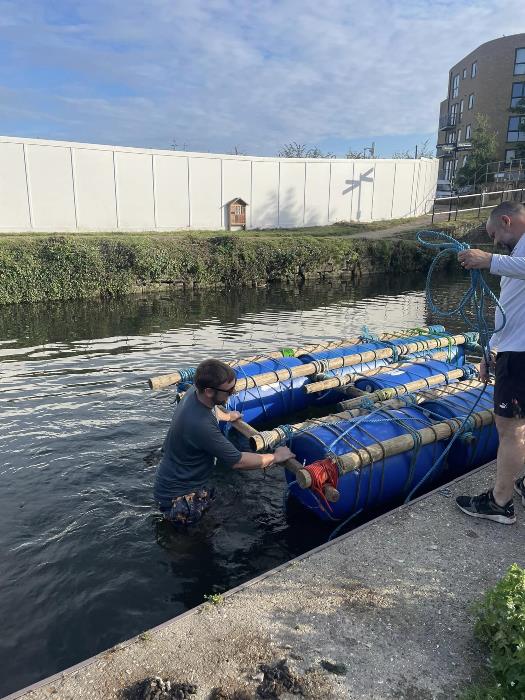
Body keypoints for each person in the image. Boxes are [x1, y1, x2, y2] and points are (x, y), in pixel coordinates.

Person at [154, 358, 295, 526]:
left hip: (176, 482)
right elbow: (239, 461)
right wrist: (275, 457)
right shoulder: (201, 425)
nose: (233, 393)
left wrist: (228, 416)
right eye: (229, 390)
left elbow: (212, 410)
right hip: (180, 498)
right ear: (209, 391)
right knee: (197, 545)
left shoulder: (194, 393)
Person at [456, 201, 525, 524]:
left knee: (510, 429)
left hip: (521, 356)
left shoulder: (511, 259)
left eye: (495, 234)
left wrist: (488, 260)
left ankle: (500, 502)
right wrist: (491, 350)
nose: (495, 241)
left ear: (508, 221)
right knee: (520, 426)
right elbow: (508, 309)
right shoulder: (515, 259)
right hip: (512, 349)